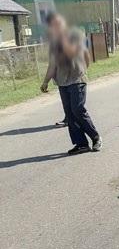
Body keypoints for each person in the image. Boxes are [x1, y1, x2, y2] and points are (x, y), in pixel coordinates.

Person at [40, 13, 102, 155]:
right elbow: (52, 65)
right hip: (62, 82)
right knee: (70, 114)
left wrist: (83, 71)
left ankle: (96, 137)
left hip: (77, 79)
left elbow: (85, 56)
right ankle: (81, 144)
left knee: (77, 109)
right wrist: (45, 82)